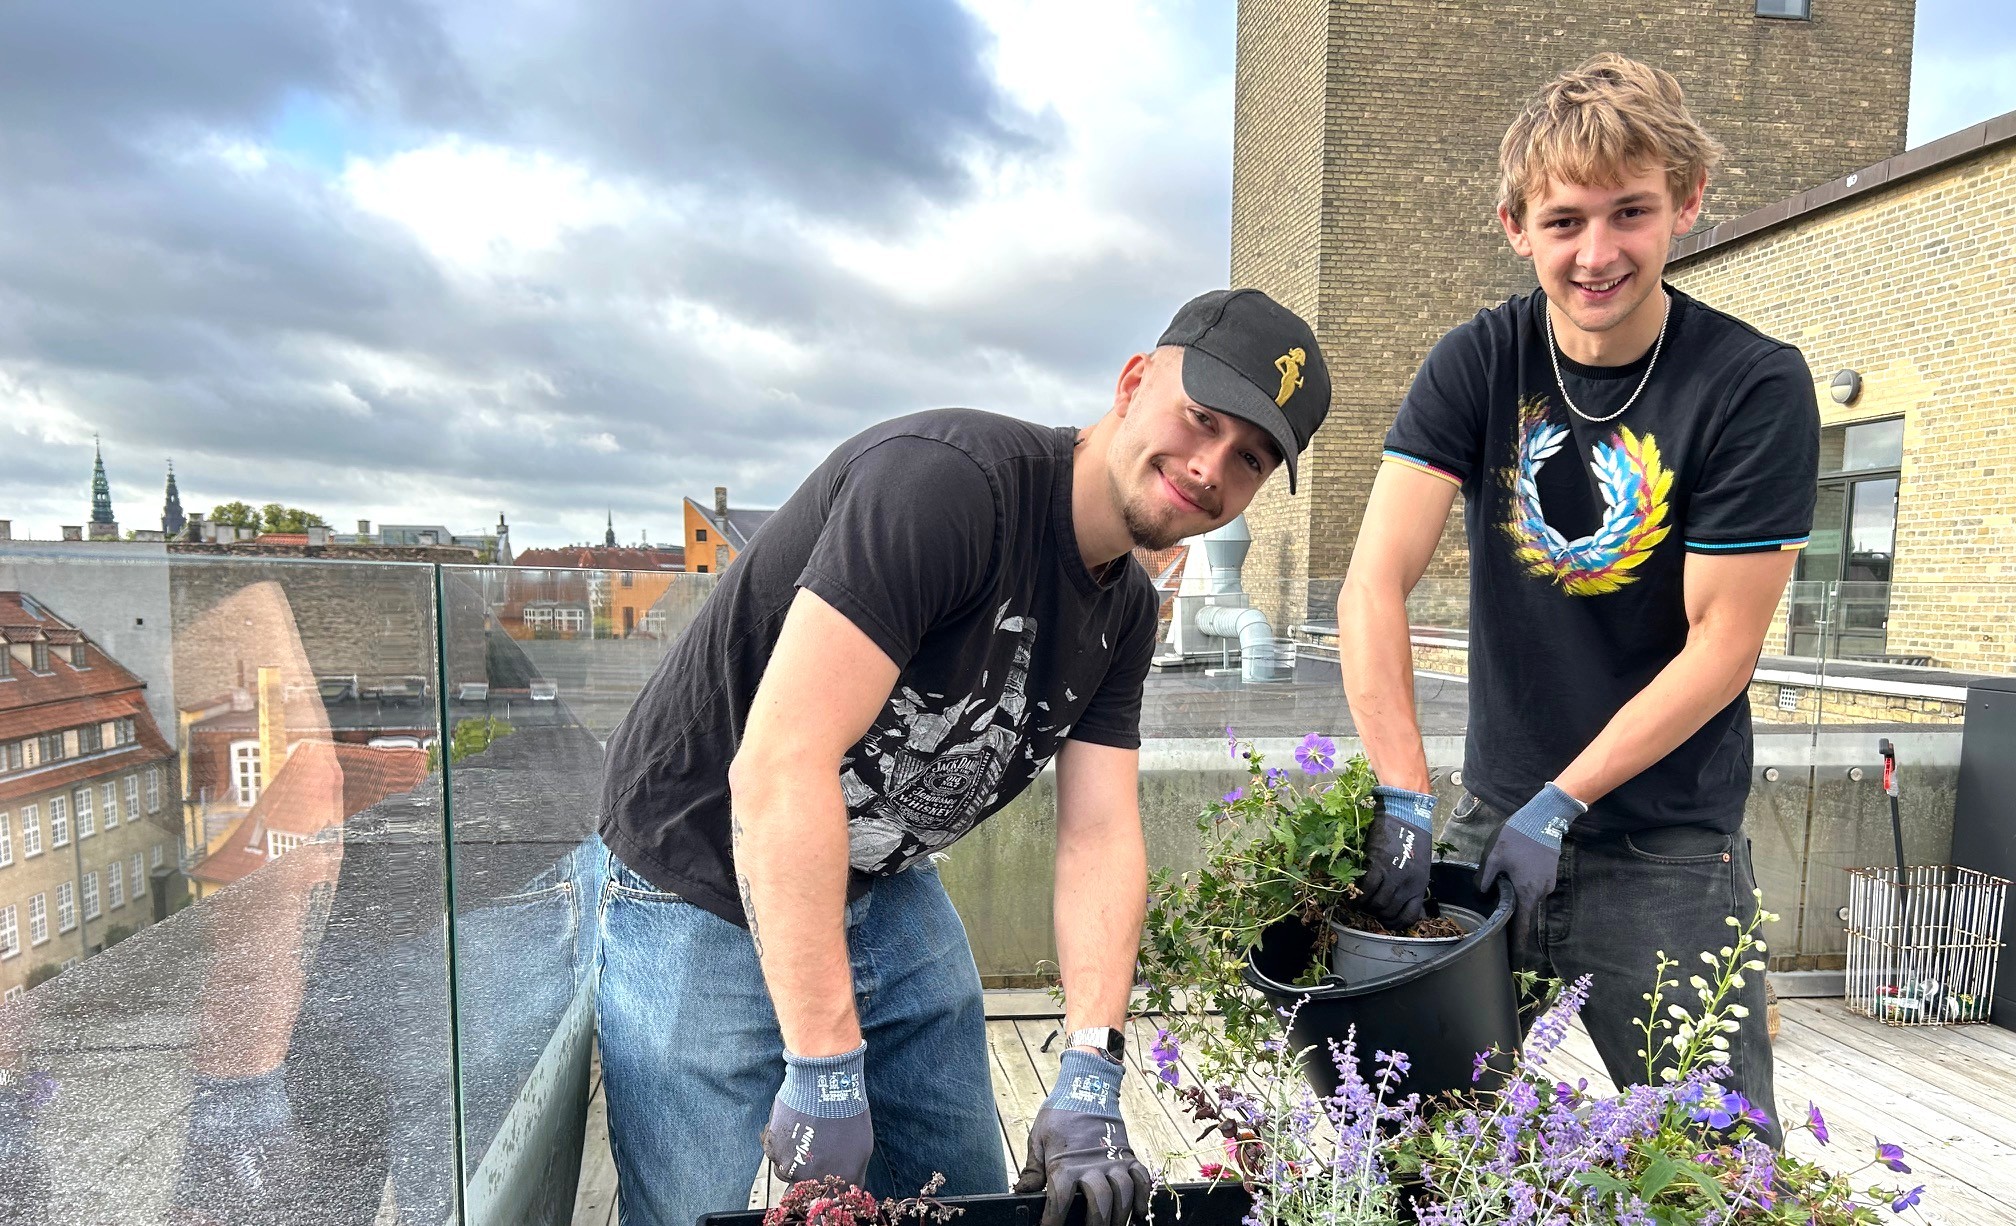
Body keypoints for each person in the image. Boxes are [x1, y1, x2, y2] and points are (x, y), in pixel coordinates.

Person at [595, 289, 1331, 1226]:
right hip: (700, 864)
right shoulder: (948, 487)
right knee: (689, 1208)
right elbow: (779, 766)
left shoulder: (1126, 612)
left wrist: (1093, 1064)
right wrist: (824, 1060)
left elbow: (1099, 835)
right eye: (1201, 418)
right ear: (1135, 381)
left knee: (963, 1192)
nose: (1210, 467)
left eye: (1251, 458)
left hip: (882, 875)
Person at [1342, 53, 1817, 1148]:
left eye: (1631, 213)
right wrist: (1407, 797)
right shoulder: (1479, 361)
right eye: (1563, 221)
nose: (1596, 253)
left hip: (1668, 847)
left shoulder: (1749, 385)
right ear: (1516, 225)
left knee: (1721, 1166)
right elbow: (1373, 579)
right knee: (1426, 1136)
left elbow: (1722, 644)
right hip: (1486, 811)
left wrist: (1566, 799)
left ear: (1686, 203)